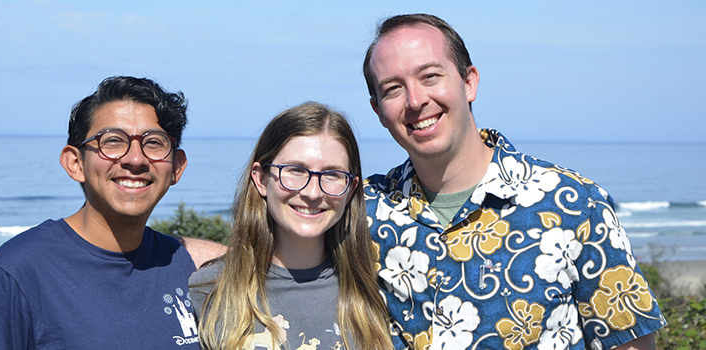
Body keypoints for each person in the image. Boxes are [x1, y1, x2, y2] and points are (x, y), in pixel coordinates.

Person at [362, 14, 665, 350]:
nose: (416, 101)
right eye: (393, 89)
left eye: (430, 76)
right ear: (378, 110)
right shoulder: (363, 213)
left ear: (469, 82)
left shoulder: (575, 203)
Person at [0, 76, 203, 349]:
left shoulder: (183, 266)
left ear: (177, 167)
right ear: (75, 163)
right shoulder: (15, 275)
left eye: (154, 142)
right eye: (112, 141)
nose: (135, 159)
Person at [189, 102, 392, 350]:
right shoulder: (208, 291)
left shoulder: (379, 293)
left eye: (332, 174)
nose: (313, 192)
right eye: (296, 170)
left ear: (350, 190)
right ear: (261, 179)